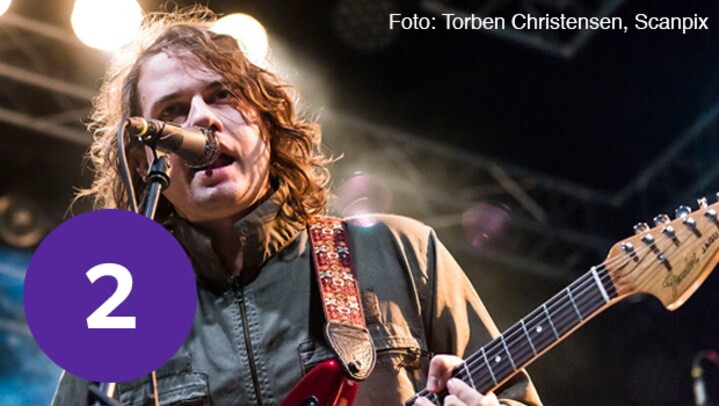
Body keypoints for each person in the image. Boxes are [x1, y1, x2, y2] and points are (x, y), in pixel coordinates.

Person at [52, 7, 542, 406]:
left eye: (222, 96)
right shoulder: (114, 313)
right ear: (143, 163)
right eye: (172, 111)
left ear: (266, 125)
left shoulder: (399, 250)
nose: (201, 119)